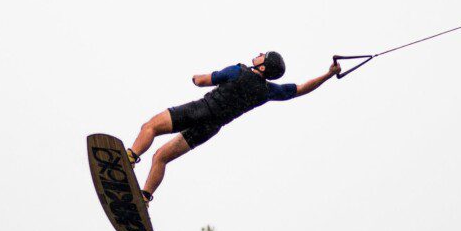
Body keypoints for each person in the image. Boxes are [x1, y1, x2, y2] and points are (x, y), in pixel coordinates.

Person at [127, 52, 341, 203]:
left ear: (263, 66)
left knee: (150, 126)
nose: (258, 53)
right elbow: (302, 88)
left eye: (263, 55)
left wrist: (194, 78)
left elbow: (202, 81)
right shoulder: (267, 91)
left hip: (200, 110)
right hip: (210, 128)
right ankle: (144, 197)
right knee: (161, 157)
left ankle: (129, 157)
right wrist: (328, 74)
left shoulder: (239, 71)